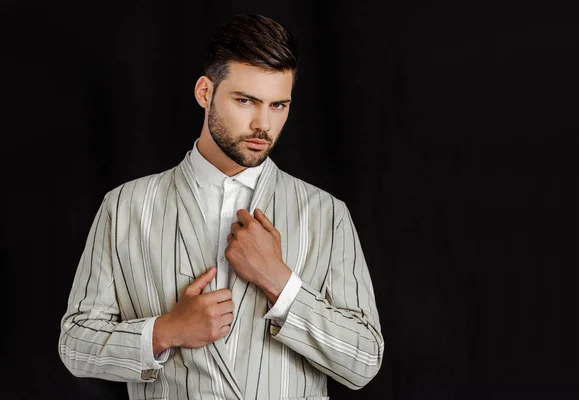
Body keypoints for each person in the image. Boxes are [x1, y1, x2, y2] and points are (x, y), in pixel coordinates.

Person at [58, 13, 384, 400]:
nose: (263, 124)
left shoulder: (327, 214)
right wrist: (165, 332)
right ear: (204, 92)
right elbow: (75, 345)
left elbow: (364, 360)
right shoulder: (126, 206)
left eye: (279, 105)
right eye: (245, 101)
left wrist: (280, 283)